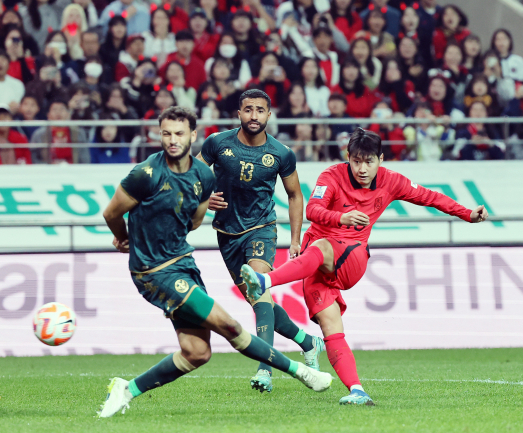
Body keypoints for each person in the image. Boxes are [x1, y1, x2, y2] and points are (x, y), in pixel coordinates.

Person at [98, 106, 332, 418]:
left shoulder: (203, 176)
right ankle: (301, 373)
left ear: (192, 135)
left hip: (184, 263)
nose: (172, 140)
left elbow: (194, 222)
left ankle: (126, 390)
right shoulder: (145, 174)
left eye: (179, 133)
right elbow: (111, 213)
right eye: (166, 133)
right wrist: (125, 237)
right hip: (153, 271)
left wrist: (199, 207)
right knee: (230, 325)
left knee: (197, 353)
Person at [241, 127, 489, 406]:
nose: (362, 168)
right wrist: (341, 218)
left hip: (351, 257)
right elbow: (313, 210)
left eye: (369, 161)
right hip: (317, 263)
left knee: (320, 247)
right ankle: (357, 390)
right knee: (330, 325)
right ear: (348, 157)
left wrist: (467, 214)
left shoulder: (392, 181)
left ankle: (265, 281)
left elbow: (429, 197)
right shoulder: (331, 176)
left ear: (380, 159)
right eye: (356, 161)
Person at [196, 89, 324, 391]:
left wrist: (295, 240)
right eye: (248, 110)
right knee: (259, 301)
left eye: (260, 110)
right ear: (239, 113)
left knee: (259, 288)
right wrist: (203, 198)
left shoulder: (281, 153)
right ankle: (308, 342)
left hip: (262, 229)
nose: (254, 116)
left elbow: (295, 195)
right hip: (227, 234)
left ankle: (265, 369)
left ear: (269, 114)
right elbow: (194, 176)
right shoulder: (217, 143)